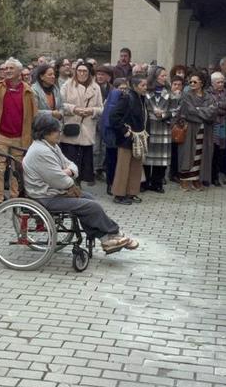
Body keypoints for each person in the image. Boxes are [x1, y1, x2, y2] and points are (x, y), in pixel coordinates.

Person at [23, 114, 140, 253]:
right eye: (56, 130)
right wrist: (66, 174)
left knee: (89, 200)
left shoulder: (51, 146)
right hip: (45, 197)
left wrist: (69, 172)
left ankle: (105, 239)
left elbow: (71, 165)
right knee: (91, 206)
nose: (59, 133)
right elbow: (59, 180)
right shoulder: (41, 151)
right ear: (45, 132)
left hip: (53, 191)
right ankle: (114, 233)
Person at [0, 58, 36, 205]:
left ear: (19, 72)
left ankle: (14, 198)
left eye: (11, 69)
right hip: (1, 134)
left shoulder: (27, 90)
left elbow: (34, 113)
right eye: (6, 68)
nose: (7, 71)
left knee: (17, 169)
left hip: (20, 135)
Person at [60, 62, 103, 184]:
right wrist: (74, 109)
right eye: (79, 71)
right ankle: (69, 186)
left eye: (85, 71)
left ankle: (78, 186)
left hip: (87, 130)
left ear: (89, 73)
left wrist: (92, 111)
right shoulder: (67, 85)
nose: (82, 73)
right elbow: (60, 104)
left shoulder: (96, 87)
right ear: (75, 72)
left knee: (83, 163)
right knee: (70, 161)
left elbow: (101, 108)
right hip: (71, 129)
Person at [109, 76, 149, 205]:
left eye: (146, 85)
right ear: (135, 86)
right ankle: (119, 195)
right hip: (127, 138)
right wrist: (125, 131)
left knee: (136, 166)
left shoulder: (141, 98)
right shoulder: (127, 98)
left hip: (138, 137)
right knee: (123, 167)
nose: (145, 88)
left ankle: (132, 192)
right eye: (143, 85)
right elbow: (114, 116)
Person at [177, 73, 218, 191]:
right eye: (190, 82)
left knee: (200, 155)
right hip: (190, 129)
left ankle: (196, 180)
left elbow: (213, 112)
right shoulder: (186, 95)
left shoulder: (209, 96)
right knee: (187, 154)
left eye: (195, 82)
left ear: (202, 83)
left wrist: (198, 110)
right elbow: (189, 112)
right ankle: (184, 180)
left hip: (205, 131)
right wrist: (203, 112)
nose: (192, 84)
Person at [142, 65, 176, 192]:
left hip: (163, 127)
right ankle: (145, 183)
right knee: (147, 157)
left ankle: (157, 183)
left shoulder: (169, 93)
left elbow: (175, 111)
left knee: (160, 158)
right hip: (149, 126)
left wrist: (164, 114)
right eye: (162, 75)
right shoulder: (146, 92)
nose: (165, 77)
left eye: (165, 75)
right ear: (155, 77)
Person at [207, 72, 226, 186]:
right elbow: (211, 109)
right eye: (218, 82)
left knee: (219, 151)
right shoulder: (208, 93)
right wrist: (223, 108)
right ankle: (208, 177)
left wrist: (219, 104)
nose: (221, 84)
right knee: (210, 151)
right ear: (213, 83)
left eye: (222, 82)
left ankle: (215, 177)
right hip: (212, 125)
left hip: (222, 126)